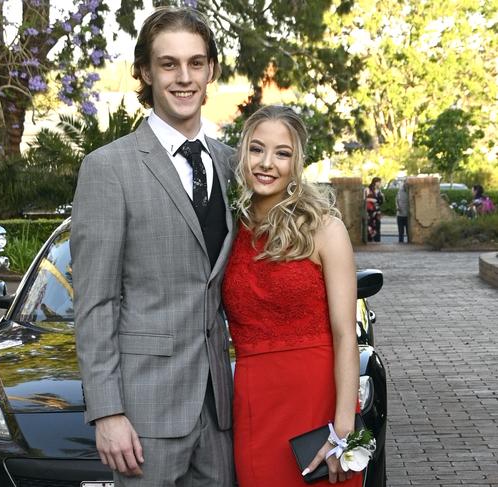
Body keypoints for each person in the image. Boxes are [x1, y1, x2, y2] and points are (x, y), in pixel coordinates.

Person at [71, 6, 235, 486]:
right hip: (144, 414)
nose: (184, 78)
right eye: (169, 64)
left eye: (196, 63)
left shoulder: (232, 164)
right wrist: (107, 412)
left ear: (210, 71)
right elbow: (96, 302)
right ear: (145, 71)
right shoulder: (109, 168)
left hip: (220, 409)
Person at [222, 105, 362, 486]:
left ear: (297, 162)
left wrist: (343, 428)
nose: (267, 163)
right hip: (254, 405)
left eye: (282, 153)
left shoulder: (325, 229)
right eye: (256, 149)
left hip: (319, 403)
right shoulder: (228, 230)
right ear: (242, 155)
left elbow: (346, 334)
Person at [364, 177, 383, 242]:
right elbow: (364, 199)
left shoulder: (379, 191)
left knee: (377, 226)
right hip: (370, 211)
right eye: (379, 182)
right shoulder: (367, 189)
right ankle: (369, 240)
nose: (380, 184)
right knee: (370, 226)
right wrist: (372, 200)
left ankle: (377, 241)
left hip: (377, 212)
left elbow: (381, 201)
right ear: (375, 182)